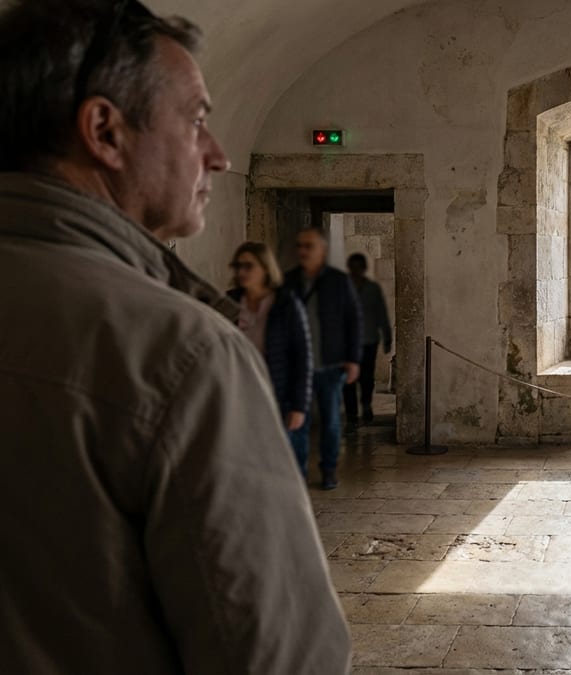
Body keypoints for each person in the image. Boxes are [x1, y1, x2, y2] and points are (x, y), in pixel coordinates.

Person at [0, 1, 351, 673]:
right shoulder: (179, 353)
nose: (218, 157)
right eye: (195, 121)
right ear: (105, 130)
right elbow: (278, 656)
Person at [284, 228, 362, 489]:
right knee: (298, 422)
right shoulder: (289, 281)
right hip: (297, 368)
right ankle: (299, 472)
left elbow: (353, 320)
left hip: (330, 365)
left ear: (323, 250)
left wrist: (353, 359)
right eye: (300, 246)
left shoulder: (338, 281)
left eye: (309, 246)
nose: (303, 251)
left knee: (330, 421)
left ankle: (329, 469)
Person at [228, 242, 313, 454]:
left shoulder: (286, 304)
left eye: (249, 266)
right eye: (238, 266)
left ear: (265, 268)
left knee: (273, 454)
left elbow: (302, 357)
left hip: (275, 391)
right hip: (237, 392)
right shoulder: (229, 302)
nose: (242, 272)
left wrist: (298, 405)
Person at [345, 252, 393, 429]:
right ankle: (351, 415)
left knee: (366, 377)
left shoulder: (372, 289)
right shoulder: (343, 288)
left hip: (369, 340)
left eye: (359, 267)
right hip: (348, 342)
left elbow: (381, 314)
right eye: (354, 267)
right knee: (348, 380)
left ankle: (366, 405)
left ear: (364, 268)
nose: (357, 271)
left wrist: (387, 337)